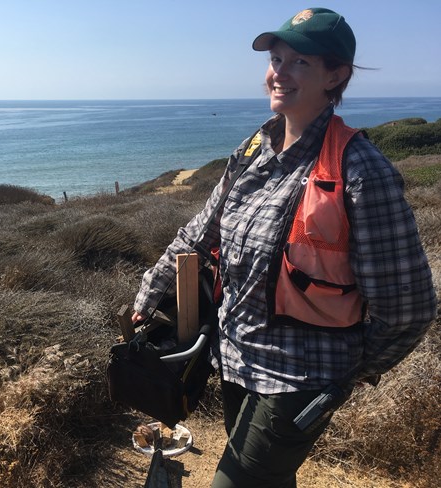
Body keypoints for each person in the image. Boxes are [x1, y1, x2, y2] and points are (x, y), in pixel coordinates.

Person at [131, 7, 437, 488]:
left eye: (300, 63)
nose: (279, 73)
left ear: (336, 75)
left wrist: (348, 374)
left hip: (301, 377)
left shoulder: (361, 171)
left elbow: (411, 308)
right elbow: (201, 231)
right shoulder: (256, 147)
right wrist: (152, 289)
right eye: (276, 59)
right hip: (235, 356)